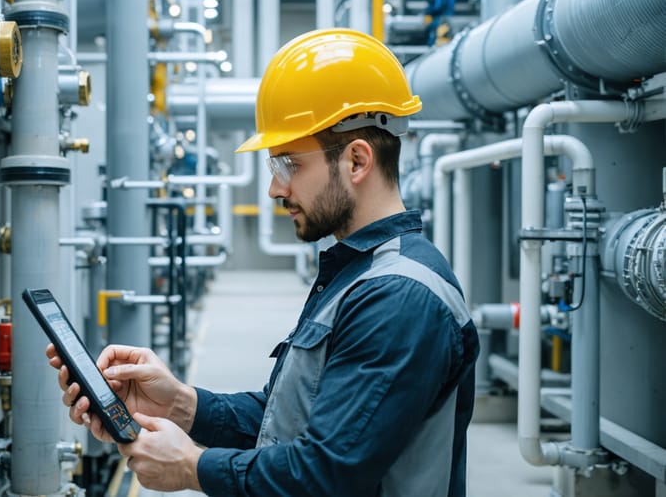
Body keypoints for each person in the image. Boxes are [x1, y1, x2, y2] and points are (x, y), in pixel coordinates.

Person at [47, 28, 479, 497]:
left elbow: (326, 474)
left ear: (356, 161)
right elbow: (299, 421)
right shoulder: (360, 273)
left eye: (288, 165)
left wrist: (192, 466)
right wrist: (181, 405)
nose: (275, 189)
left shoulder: (399, 298)